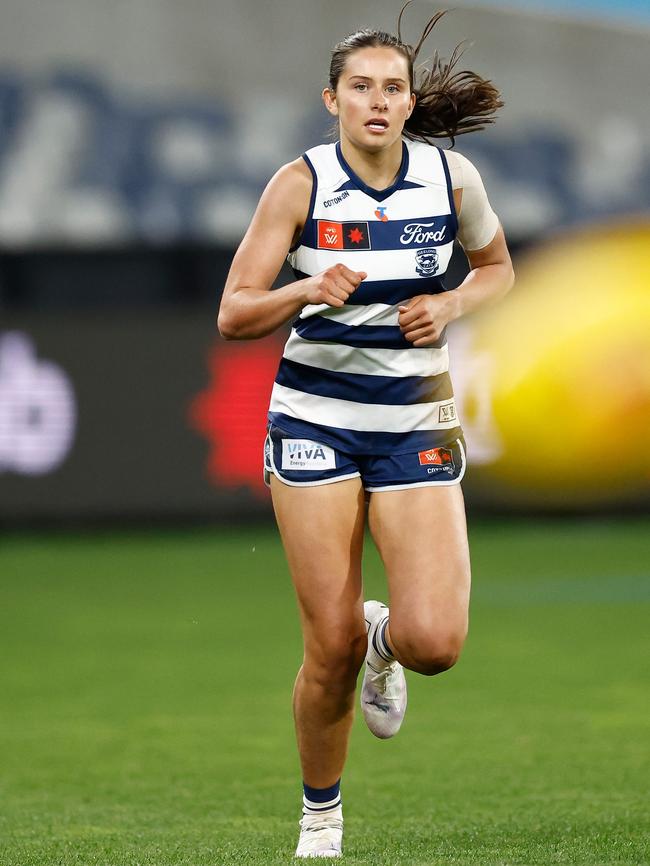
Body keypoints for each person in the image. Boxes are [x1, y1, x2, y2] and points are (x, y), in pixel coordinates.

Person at [218, 5, 514, 858]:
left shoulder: (450, 180)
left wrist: (454, 301)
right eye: (361, 88)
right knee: (328, 645)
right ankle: (321, 816)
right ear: (332, 100)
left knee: (435, 643)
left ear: (409, 100)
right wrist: (303, 292)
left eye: (392, 87)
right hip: (315, 421)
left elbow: (497, 269)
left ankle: (386, 641)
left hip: (414, 418)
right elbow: (235, 313)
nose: (378, 102)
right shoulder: (300, 184)